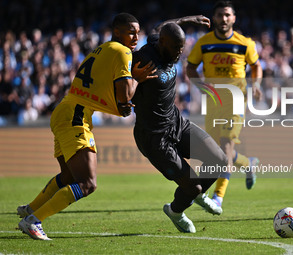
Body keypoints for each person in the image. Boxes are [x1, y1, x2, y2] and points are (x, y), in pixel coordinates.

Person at [16, 13, 157, 240]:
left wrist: (120, 103)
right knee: (88, 184)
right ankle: (33, 221)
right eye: (131, 31)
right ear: (117, 31)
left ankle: (31, 209)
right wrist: (137, 79)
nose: (136, 36)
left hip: (65, 109)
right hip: (76, 114)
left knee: (69, 177)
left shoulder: (101, 49)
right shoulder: (123, 52)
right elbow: (125, 95)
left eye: (138, 31)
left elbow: (109, 95)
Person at [132, 18, 231, 233]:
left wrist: (190, 19)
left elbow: (163, 25)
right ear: (163, 43)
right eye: (176, 47)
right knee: (193, 186)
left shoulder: (160, 37)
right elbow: (121, 87)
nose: (179, 52)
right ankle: (179, 209)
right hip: (153, 137)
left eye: (182, 47)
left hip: (177, 123)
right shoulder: (141, 59)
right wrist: (129, 91)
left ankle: (181, 204)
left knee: (220, 160)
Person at [186, 1, 263, 209]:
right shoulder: (204, 43)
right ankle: (249, 163)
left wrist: (256, 84)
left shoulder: (245, 43)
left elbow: (256, 66)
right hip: (213, 102)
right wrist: (200, 86)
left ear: (234, 18)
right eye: (220, 15)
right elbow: (190, 68)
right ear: (214, 18)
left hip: (237, 100)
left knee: (226, 146)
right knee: (217, 152)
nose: (224, 19)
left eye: (227, 15)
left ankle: (218, 197)